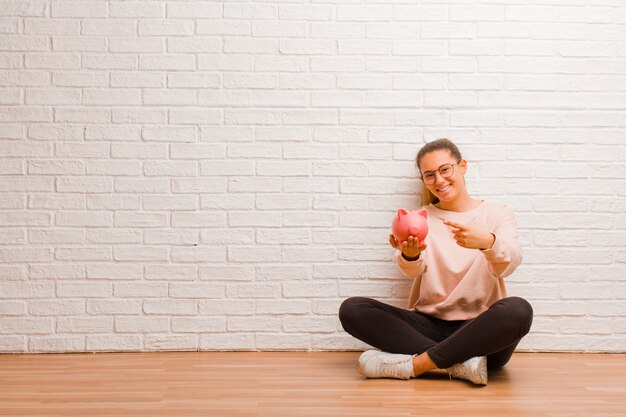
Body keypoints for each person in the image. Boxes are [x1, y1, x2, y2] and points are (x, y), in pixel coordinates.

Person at [338, 138, 533, 385]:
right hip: (427, 325)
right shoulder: (421, 218)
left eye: (444, 169)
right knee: (352, 309)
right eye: (429, 175)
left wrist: (487, 242)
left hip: (480, 331)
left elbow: (509, 263)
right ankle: (461, 363)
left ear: (462, 166)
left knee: (519, 310)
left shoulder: (497, 213)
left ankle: (417, 365)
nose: (439, 181)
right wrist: (409, 254)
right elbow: (412, 270)